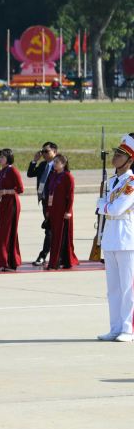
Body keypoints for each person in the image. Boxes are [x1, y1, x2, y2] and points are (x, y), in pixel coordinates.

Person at [96, 134, 134, 342]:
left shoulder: (131, 183)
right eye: (116, 153)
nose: (115, 157)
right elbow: (101, 204)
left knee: (128, 287)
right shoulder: (111, 181)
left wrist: (104, 207)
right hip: (110, 236)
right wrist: (104, 207)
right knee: (113, 288)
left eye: (120, 155)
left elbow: (118, 208)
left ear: (129, 160)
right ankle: (115, 327)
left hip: (127, 238)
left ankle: (128, 329)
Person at [0, 148, 24, 271]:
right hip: (2, 205)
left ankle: (8, 262)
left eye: (2, 157)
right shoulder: (1, 172)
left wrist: (6, 191)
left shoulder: (13, 170)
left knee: (7, 233)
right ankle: (3, 261)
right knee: (2, 233)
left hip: (11, 204)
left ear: (8, 158)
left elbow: (20, 189)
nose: (0, 159)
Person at [27, 142, 58, 266]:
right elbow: (30, 174)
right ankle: (51, 255)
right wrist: (34, 160)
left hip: (55, 202)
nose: (44, 154)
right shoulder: (43, 164)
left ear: (54, 152)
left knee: (50, 229)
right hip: (44, 201)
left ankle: (44, 255)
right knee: (49, 229)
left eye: (47, 151)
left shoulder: (58, 165)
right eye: (43, 151)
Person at [47, 154, 78, 270]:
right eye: (54, 162)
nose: (55, 164)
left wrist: (68, 211)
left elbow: (70, 196)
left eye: (57, 162)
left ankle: (56, 261)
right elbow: (50, 193)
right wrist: (48, 210)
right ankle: (57, 259)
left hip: (62, 211)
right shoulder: (53, 176)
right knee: (54, 235)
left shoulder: (68, 177)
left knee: (60, 236)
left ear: (64, 164)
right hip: (53, 210)